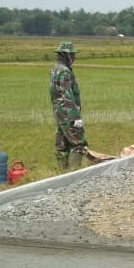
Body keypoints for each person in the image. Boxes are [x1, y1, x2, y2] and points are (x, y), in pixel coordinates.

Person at [49, 40, 88, 173]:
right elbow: (67, 95)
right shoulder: (65, 71)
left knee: (62, 145)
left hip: (59, 113)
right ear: (65, 55)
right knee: (78, 143)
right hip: (68, 113)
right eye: (72, 54)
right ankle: (74, 174)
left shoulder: (54, 69)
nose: (74, 57)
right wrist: (75, 117)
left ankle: (62, 174)